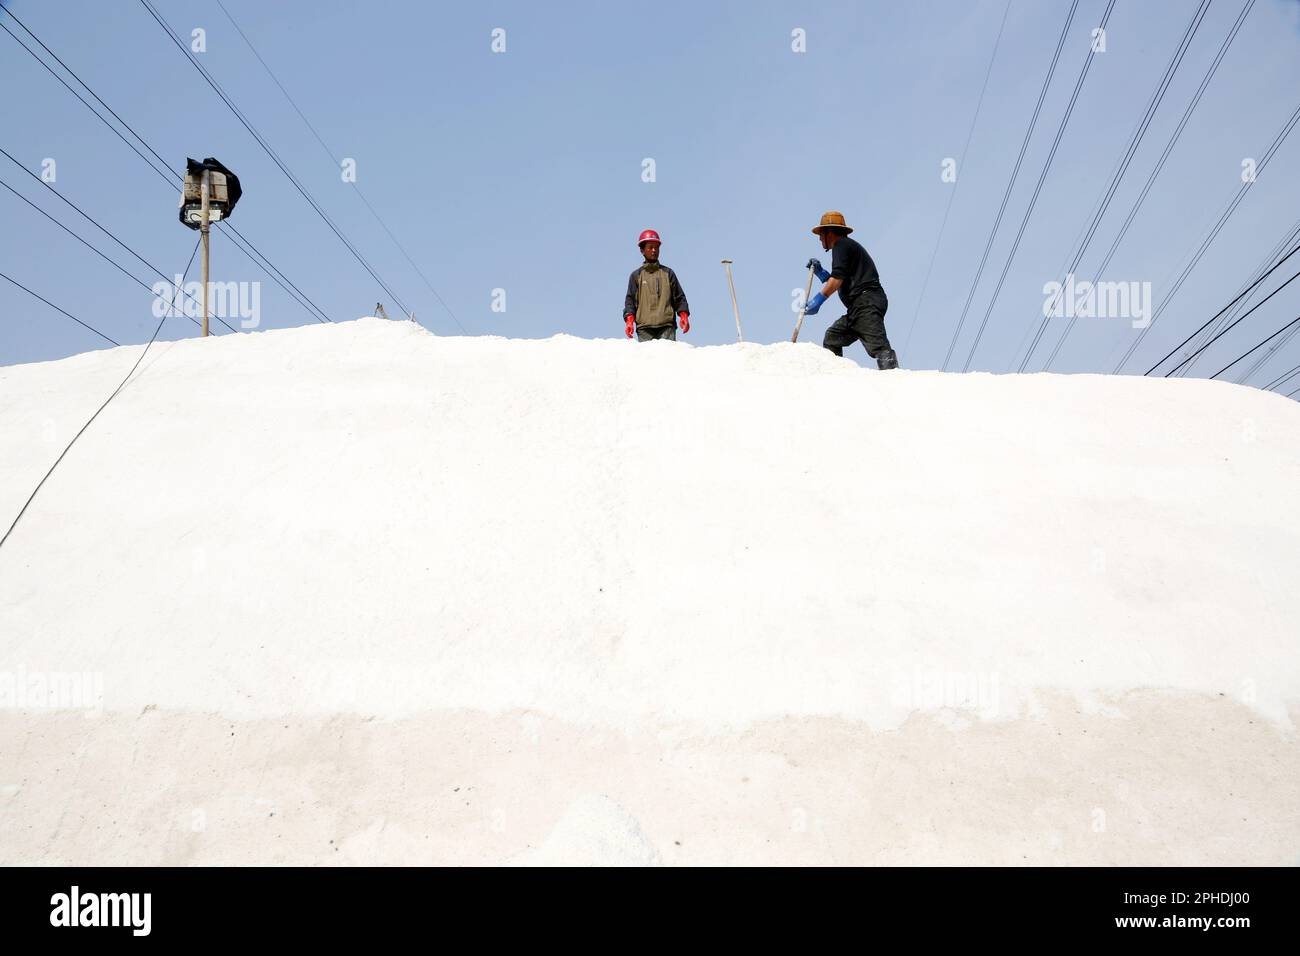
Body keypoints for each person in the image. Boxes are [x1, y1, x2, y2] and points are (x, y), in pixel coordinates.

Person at [802, 211, 898, 369]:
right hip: (858, 306)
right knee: (833, 337)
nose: (819, 239)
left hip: (866, 303)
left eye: (821, 234)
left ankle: (895, 380)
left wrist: (818, 300)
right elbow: (841, 277)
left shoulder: (841, 245)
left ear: (830, 232)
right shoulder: (845, 247)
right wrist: (821, 273)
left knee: (879, 346)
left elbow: (838, 279)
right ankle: (839, 376)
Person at [623, 229, 690, 341]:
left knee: (667, 358)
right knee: (648, 358)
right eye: (650, 247)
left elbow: (680, 298)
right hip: (644, 329)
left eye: (656, 247)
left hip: (667, 327)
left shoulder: (668, 273)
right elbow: (630, 302)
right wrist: (629, 321)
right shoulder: (636, 276)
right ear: (642, 250)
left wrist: (684, 315)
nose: (654, 250)